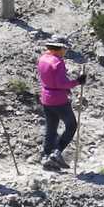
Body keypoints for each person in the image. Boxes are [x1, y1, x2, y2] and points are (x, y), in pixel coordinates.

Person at [37, 37, 85, 171]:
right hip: (59, 99)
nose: (65, 51)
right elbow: (61, 83)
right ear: (59, 48)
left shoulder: (42, 58)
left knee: (51, 128)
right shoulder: (58, 62)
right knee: (71, 125)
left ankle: (46, 156)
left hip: (46, 97)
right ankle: (56, 153)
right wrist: (77, 82)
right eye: (65, 48)